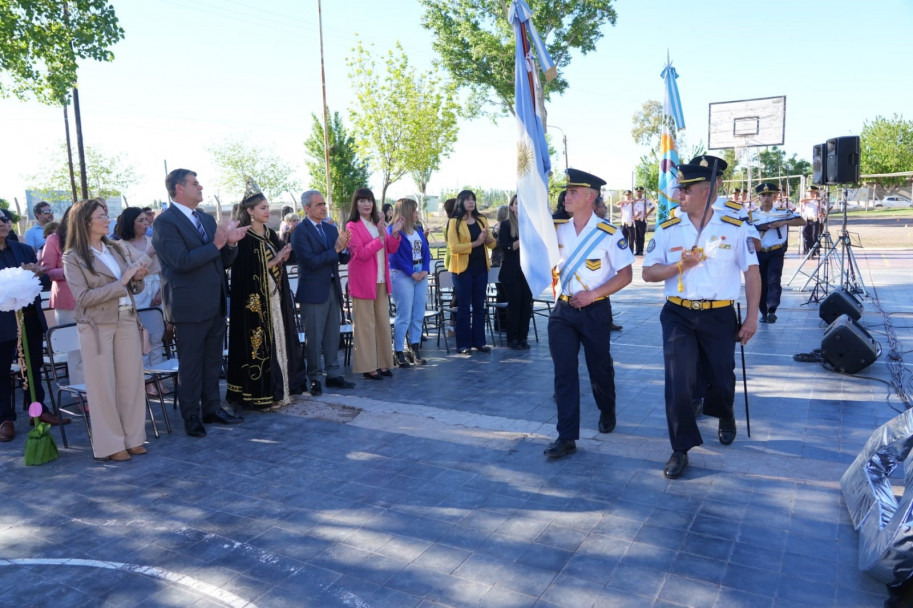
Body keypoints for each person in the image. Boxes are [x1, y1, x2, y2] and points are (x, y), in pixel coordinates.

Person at [642, 155, 760, 479]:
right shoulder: (667, 229)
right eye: (679, 189)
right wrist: (681, 266)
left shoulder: (734, 228)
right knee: (679, 381)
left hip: (719, 315)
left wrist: (751, 318)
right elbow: (648, 273)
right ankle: (680, 448)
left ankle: (725, 413)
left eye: (686, 189)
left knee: (721, 378)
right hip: (678, 314)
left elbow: (751, 273)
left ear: (707, 191)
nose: (679, 195)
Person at [544, 169, 633, 460]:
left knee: (599, 368)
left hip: (595, 310)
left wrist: (594, 295)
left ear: (590, 197)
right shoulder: (557, 229)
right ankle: (566, 436)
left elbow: (626, 275)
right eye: (566, 192)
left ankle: (607, 409)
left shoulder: (608, 233)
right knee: (564, 373)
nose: (566, 196)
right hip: (563, 310)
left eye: (573, 192)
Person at [152, 169, 248, 437]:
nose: (201, 186)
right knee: (191, 365)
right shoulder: (165, 222)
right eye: (195, 183)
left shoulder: (205, 218)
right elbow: (180, 261)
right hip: (188, 306)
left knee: (212, 361)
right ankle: (191, 416)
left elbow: (222, 261)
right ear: (179, 188)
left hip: (215, 302)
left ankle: (212, 409)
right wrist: (217, 245)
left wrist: (230, 245)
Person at [63, 198, 150, 460]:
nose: (107, 219)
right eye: (101, 215)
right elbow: (84, 298)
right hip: (96, 326)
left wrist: (137, 280)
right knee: (103, 387)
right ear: (85, 221)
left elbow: (131, 288)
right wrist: (122, 282)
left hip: (125, 318)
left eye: (106, 214)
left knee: (131, 382)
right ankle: (112, 445)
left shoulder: (114, 248)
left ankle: (134, 438)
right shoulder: (73, 257)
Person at [226, 180, 305, 410]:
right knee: (259, 345)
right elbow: (246, 271)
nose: (267, 211)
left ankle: (283, 388)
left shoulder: (270, 233)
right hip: (255, 303)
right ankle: (262, 393)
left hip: (274, 294)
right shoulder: (244, 236)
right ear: (249, 211)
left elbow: (277, 261)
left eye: (267, 207)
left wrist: (284, 254)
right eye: (262, 207)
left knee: (280, 336)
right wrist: (276, 259)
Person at [0, 208, 66, 443]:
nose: (3, 223)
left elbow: (43, 280)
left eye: (5, 219)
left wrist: (38, 273)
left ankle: (36, 411)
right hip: (2, 322)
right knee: (2, 373)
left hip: (28, 319)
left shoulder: (24, 249)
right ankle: (4, 420)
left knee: (33, 367)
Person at [291, 190, 354, 396]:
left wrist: (345, 248)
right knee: (315, 336)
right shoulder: (299, 232)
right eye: (318, 205)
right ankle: (315, 378)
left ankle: (333, 374)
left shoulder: (330, 228)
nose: (323, 207)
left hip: (332, 288)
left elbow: (342, 258)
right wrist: (335, 250)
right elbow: (310, 262)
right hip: (312, 291)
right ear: (307, 208)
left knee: (332, 334)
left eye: (324, 204)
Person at [346, 188, 402, 380]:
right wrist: (379, 238)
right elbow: (360, 253)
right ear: (356, 204)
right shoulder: (352, 226)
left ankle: (384, 363)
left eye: (369, 200)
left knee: (382, 324)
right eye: (361, 201)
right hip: (363, 282)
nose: (366, 204)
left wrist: (393, 233)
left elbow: (391, 248)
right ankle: (369, 367)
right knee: (365, 326)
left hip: (381, 280)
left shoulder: (377, 223)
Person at [115, 207, 166, 377]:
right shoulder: (120, 246)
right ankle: (144, 379)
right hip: (138, 292)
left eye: (146, 219)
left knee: (157, 336)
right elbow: (130, 271)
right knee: (141, 337)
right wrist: (149, 254)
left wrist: (162, 291)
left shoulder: (153, 241)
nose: (146, 223)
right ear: (131, 223)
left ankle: (157, 377)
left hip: (157, 287)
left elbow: (164, 268)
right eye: (141, 220)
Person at [447, 189, 496, 355]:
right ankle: (463, 344)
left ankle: (480, 342)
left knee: (479, 307)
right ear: (461, 202)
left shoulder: (482, 219)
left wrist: (486, 238)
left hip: (481, 268)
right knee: (464, 308)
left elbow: (492, 244)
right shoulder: (454, 221)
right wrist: (476, 243)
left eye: (473, 199)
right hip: (462, 270)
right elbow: (453, 248)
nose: (471, 202)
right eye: (467, 199)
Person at [41, 207, 84, 386]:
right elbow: (47, 270)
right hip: (67, 301)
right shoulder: (54, 239)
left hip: (93, 300)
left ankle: (98, 392)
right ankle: (81, 394)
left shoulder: (90, 239)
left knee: (94, 350)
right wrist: (71, 271)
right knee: (76, 351)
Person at [751, 183, 805, 324]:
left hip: (776, 251)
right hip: (759, 253)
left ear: (775, 196)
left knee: (774, 280)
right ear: (759, 198)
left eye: (769, 195)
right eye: (763, 195)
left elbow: (802, 221)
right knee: (761, 283)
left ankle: (772, 309)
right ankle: (763, 311)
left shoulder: (783, 212)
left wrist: (783, 222)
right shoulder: (752, 215)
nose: (766, 198)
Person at [387, 198, 431, 367]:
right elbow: (394, 257)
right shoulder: (393, 231)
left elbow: (426, 251)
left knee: (418, 313)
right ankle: (398, 351)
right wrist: (412, 273)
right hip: (403, 274)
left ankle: (414, 347)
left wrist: (425, 269)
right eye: (414, 210)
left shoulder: (417, 229)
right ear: (406, 212)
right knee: (404, 315)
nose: (417, 213)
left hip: (420, 272)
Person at [498, 195, 532, 350]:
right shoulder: (505, 225)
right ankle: (512, 338)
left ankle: (523, 337)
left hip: (528, 271)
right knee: (515, 303)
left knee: (526, 305)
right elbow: (506, 247)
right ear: (512, 207)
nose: (520, 206)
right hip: (511, 271)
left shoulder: (531, 224)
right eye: (517, 203)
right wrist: (522, 239)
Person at [801, 185, 824, 255]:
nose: (810, 193)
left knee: (814, 235)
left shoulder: (818, 201)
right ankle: (807, 248)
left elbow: (822, 209)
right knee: (804, 233)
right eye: (809, 192)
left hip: (814, 219)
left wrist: (821, 212)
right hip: (807, 219)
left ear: (815, 192)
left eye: (812, 192)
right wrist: (813, 199)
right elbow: (801, 200)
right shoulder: (807, 200)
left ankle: (814, 250)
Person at [632, 187, 652, 255]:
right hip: (635, 220)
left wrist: (647, 214)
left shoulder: (645, 200)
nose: (639, 193)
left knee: (641, 236)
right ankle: (637, 250)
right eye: (637, 191)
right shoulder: (634, 200)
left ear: (642, 192)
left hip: (642, 220)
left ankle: (641, 250)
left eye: (640, 191)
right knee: (636, 236)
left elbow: (652, 207)